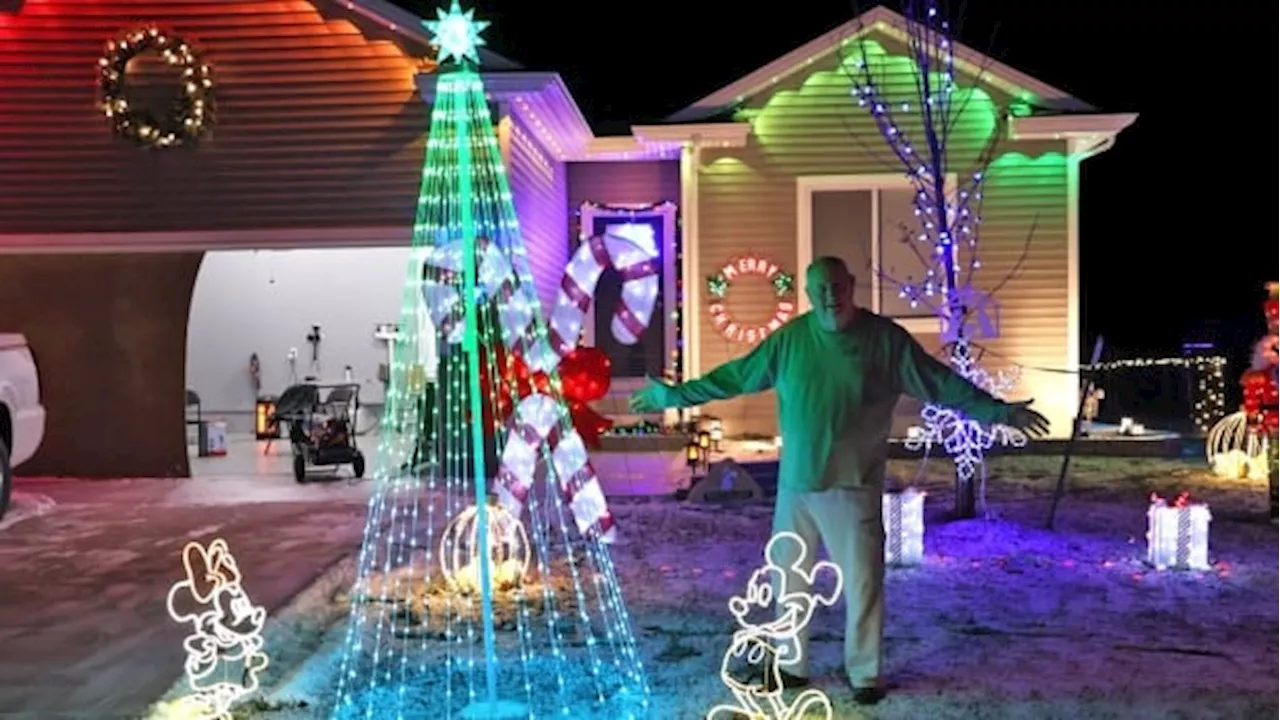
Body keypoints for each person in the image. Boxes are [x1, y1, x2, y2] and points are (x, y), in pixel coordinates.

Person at [630, 256, 1049, 705]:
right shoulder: (790, 341)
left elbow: (940, 383)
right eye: (820, 289)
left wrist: (998, 411)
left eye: (836, 285)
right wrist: (674, 395)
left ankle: (864, 672)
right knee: (788, 579)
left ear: (851, 285)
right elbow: (734, 377)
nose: (831, 296)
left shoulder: (884, 342)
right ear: (809, 295)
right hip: (796, 486)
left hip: (853, 485)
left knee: (863, 583)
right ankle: (791, 665)